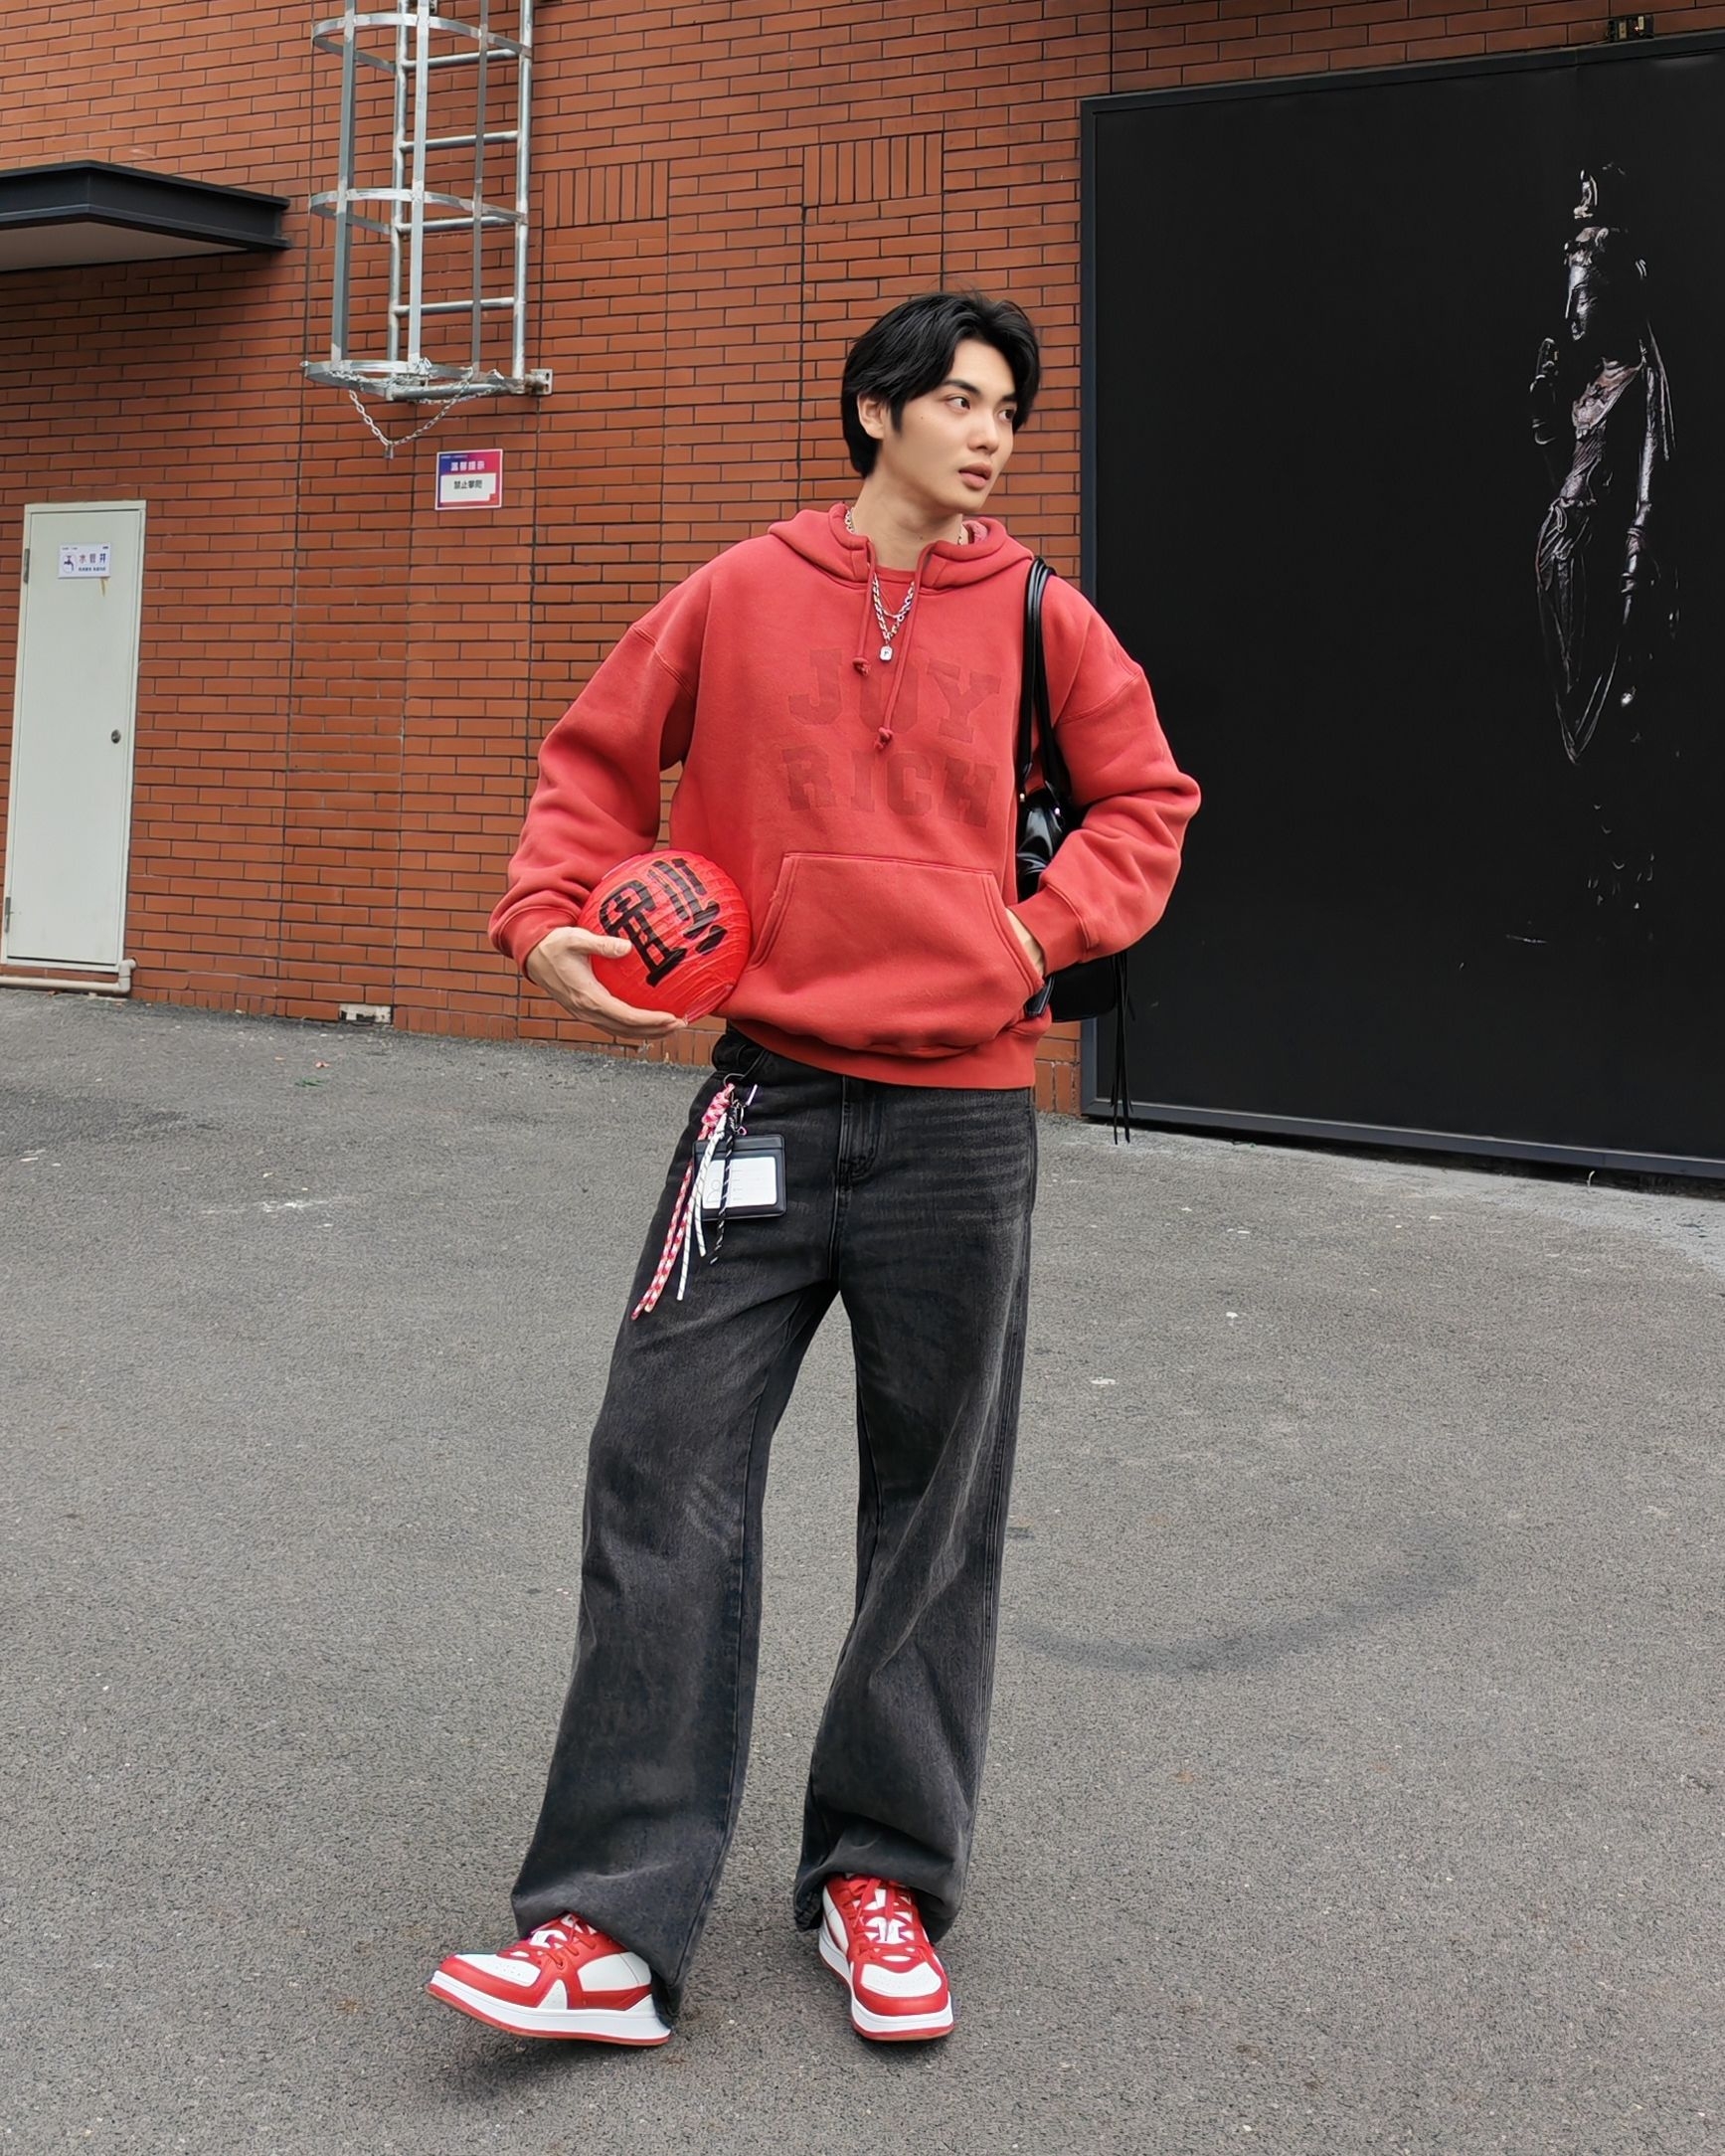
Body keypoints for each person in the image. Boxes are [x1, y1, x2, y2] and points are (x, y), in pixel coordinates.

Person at [428, 291, 1199, 2048]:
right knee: (661, 1474)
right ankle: (608, 1928)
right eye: (959, 401)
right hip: (762, 1102)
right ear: (875, 411)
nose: (989, 435)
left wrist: (1030, 938)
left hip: (962, 1126)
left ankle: (882, 1879)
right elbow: (593, 767)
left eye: (1008, 409)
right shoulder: (737, 593)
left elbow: (1147, 805)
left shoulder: (1046, 615)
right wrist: (546, 916)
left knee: (936, 1512)